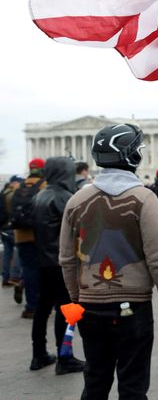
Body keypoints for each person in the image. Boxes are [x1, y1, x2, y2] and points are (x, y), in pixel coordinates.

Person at [60, 123, 158, 400]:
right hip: (133, 308)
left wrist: (77, 296)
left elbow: (66, 258)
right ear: (132, 156)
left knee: (95, 384)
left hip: (91, 306)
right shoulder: (144, 198)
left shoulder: (76, 201)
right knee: (132, 389)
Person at [30, 156, 85, 374]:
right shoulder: (65, 197)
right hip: (61, 262)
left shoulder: (39, 195)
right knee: (66, 310)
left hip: (42, 261)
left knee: (42, 309)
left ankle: (38, 354)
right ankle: (65, 357)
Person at [12, 158, 47, 318]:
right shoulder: (43, 186)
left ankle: (30, 306)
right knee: (43, 270)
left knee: (28, 269)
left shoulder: (18, 187)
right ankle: (41, 303)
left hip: (21, 235)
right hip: (39, 235)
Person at [1, 176, 23, 288]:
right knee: (19, 252)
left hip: (4, 228)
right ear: (15, 183)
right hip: (12, 228)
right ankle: (15, 276)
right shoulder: (14, 195)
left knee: (7, 253)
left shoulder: (3, 193)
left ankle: (5, 277)